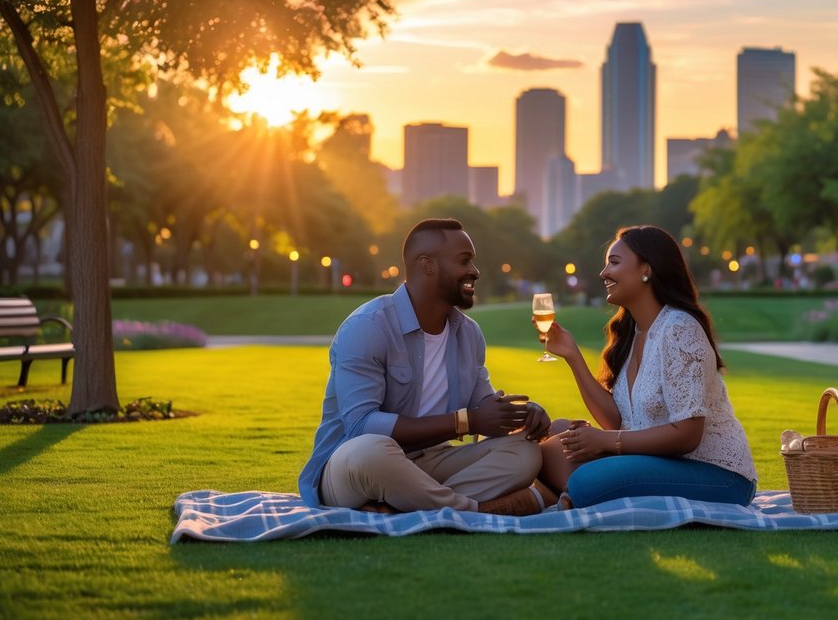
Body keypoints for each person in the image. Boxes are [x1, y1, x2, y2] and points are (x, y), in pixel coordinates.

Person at [298, 218, 552, 515]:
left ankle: (401, 505)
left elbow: (482, 404)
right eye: (464, 261)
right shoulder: (368, 327)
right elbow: (360, 425)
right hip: (354, 467)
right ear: (427, 265)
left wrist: (522, 414)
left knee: (526, 452)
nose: (475, 271)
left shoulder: (468, 333)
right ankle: (480, 510)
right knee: (373, 451)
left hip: (430, 461)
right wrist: (465, 421)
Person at [538, 225, 757, 509]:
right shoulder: (633, 333)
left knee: (585, 481)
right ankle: (574, 494)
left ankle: (572, 494)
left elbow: (687, 435)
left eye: (614, 263)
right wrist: (573, 356)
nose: (604, 273)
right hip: (657, 462)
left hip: (717, 475)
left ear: (647, 270)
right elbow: (618, 423)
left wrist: (606, 442)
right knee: (557, 438)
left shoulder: (679, 329)